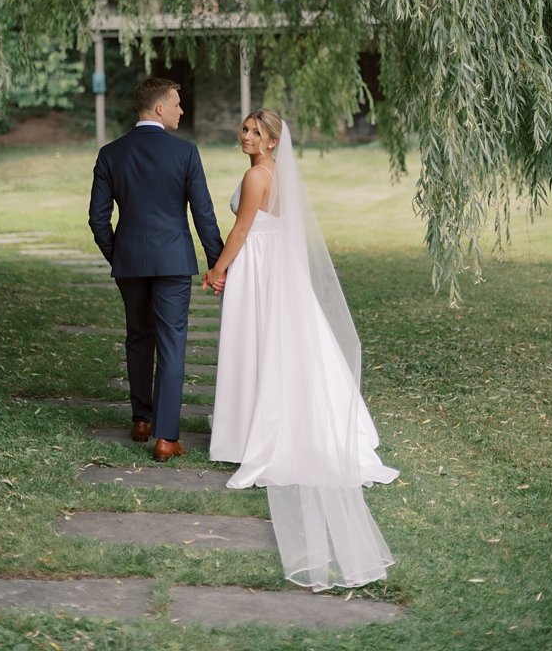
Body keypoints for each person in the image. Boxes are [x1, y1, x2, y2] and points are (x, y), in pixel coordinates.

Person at [202, 109, 398, 590]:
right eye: (245, 129)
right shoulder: (279, 176)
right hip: (278, 268)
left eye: (256, 132)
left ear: (272, 142)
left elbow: (244, 230)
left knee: (257, 346)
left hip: (257, 268)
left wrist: (217, 270)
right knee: (280, 349)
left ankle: (252, 432)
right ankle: (260, 422)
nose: (246, 136)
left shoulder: (255, 178)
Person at [88, 77, 224, 461]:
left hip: (130, 262)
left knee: (138, 337)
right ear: (160, 108)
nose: (182, 110)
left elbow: (98, 219)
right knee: (172, 342)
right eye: (177, 103)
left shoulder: (111, 153)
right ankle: (166, 436)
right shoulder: (185, 153)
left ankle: (141, 420)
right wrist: (217, 264)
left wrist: (119, 256)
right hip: (173, 262)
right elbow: (204, 216)